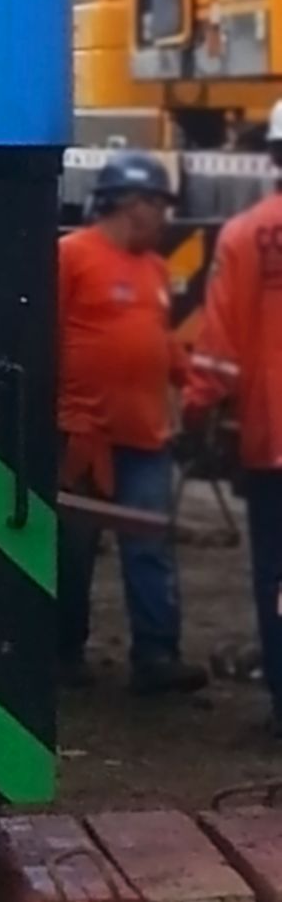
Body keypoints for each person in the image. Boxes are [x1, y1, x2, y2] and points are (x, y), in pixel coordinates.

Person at [57, 150, 205, 694]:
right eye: (158, 204)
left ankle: (157, 654)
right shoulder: (71, 257)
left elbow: (159, 337)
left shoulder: (156, 269)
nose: (165, 216)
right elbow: (44, 332)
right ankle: (63, 652)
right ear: (128, 204)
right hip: (83, 433)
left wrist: (190, 382)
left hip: (144, 434)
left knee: (149, 545)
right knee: (72, 549)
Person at [182, 102, 282, 738]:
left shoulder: (247, 236)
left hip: (273, 442)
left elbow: (217, 348)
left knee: (276, 576)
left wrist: (197, 412)